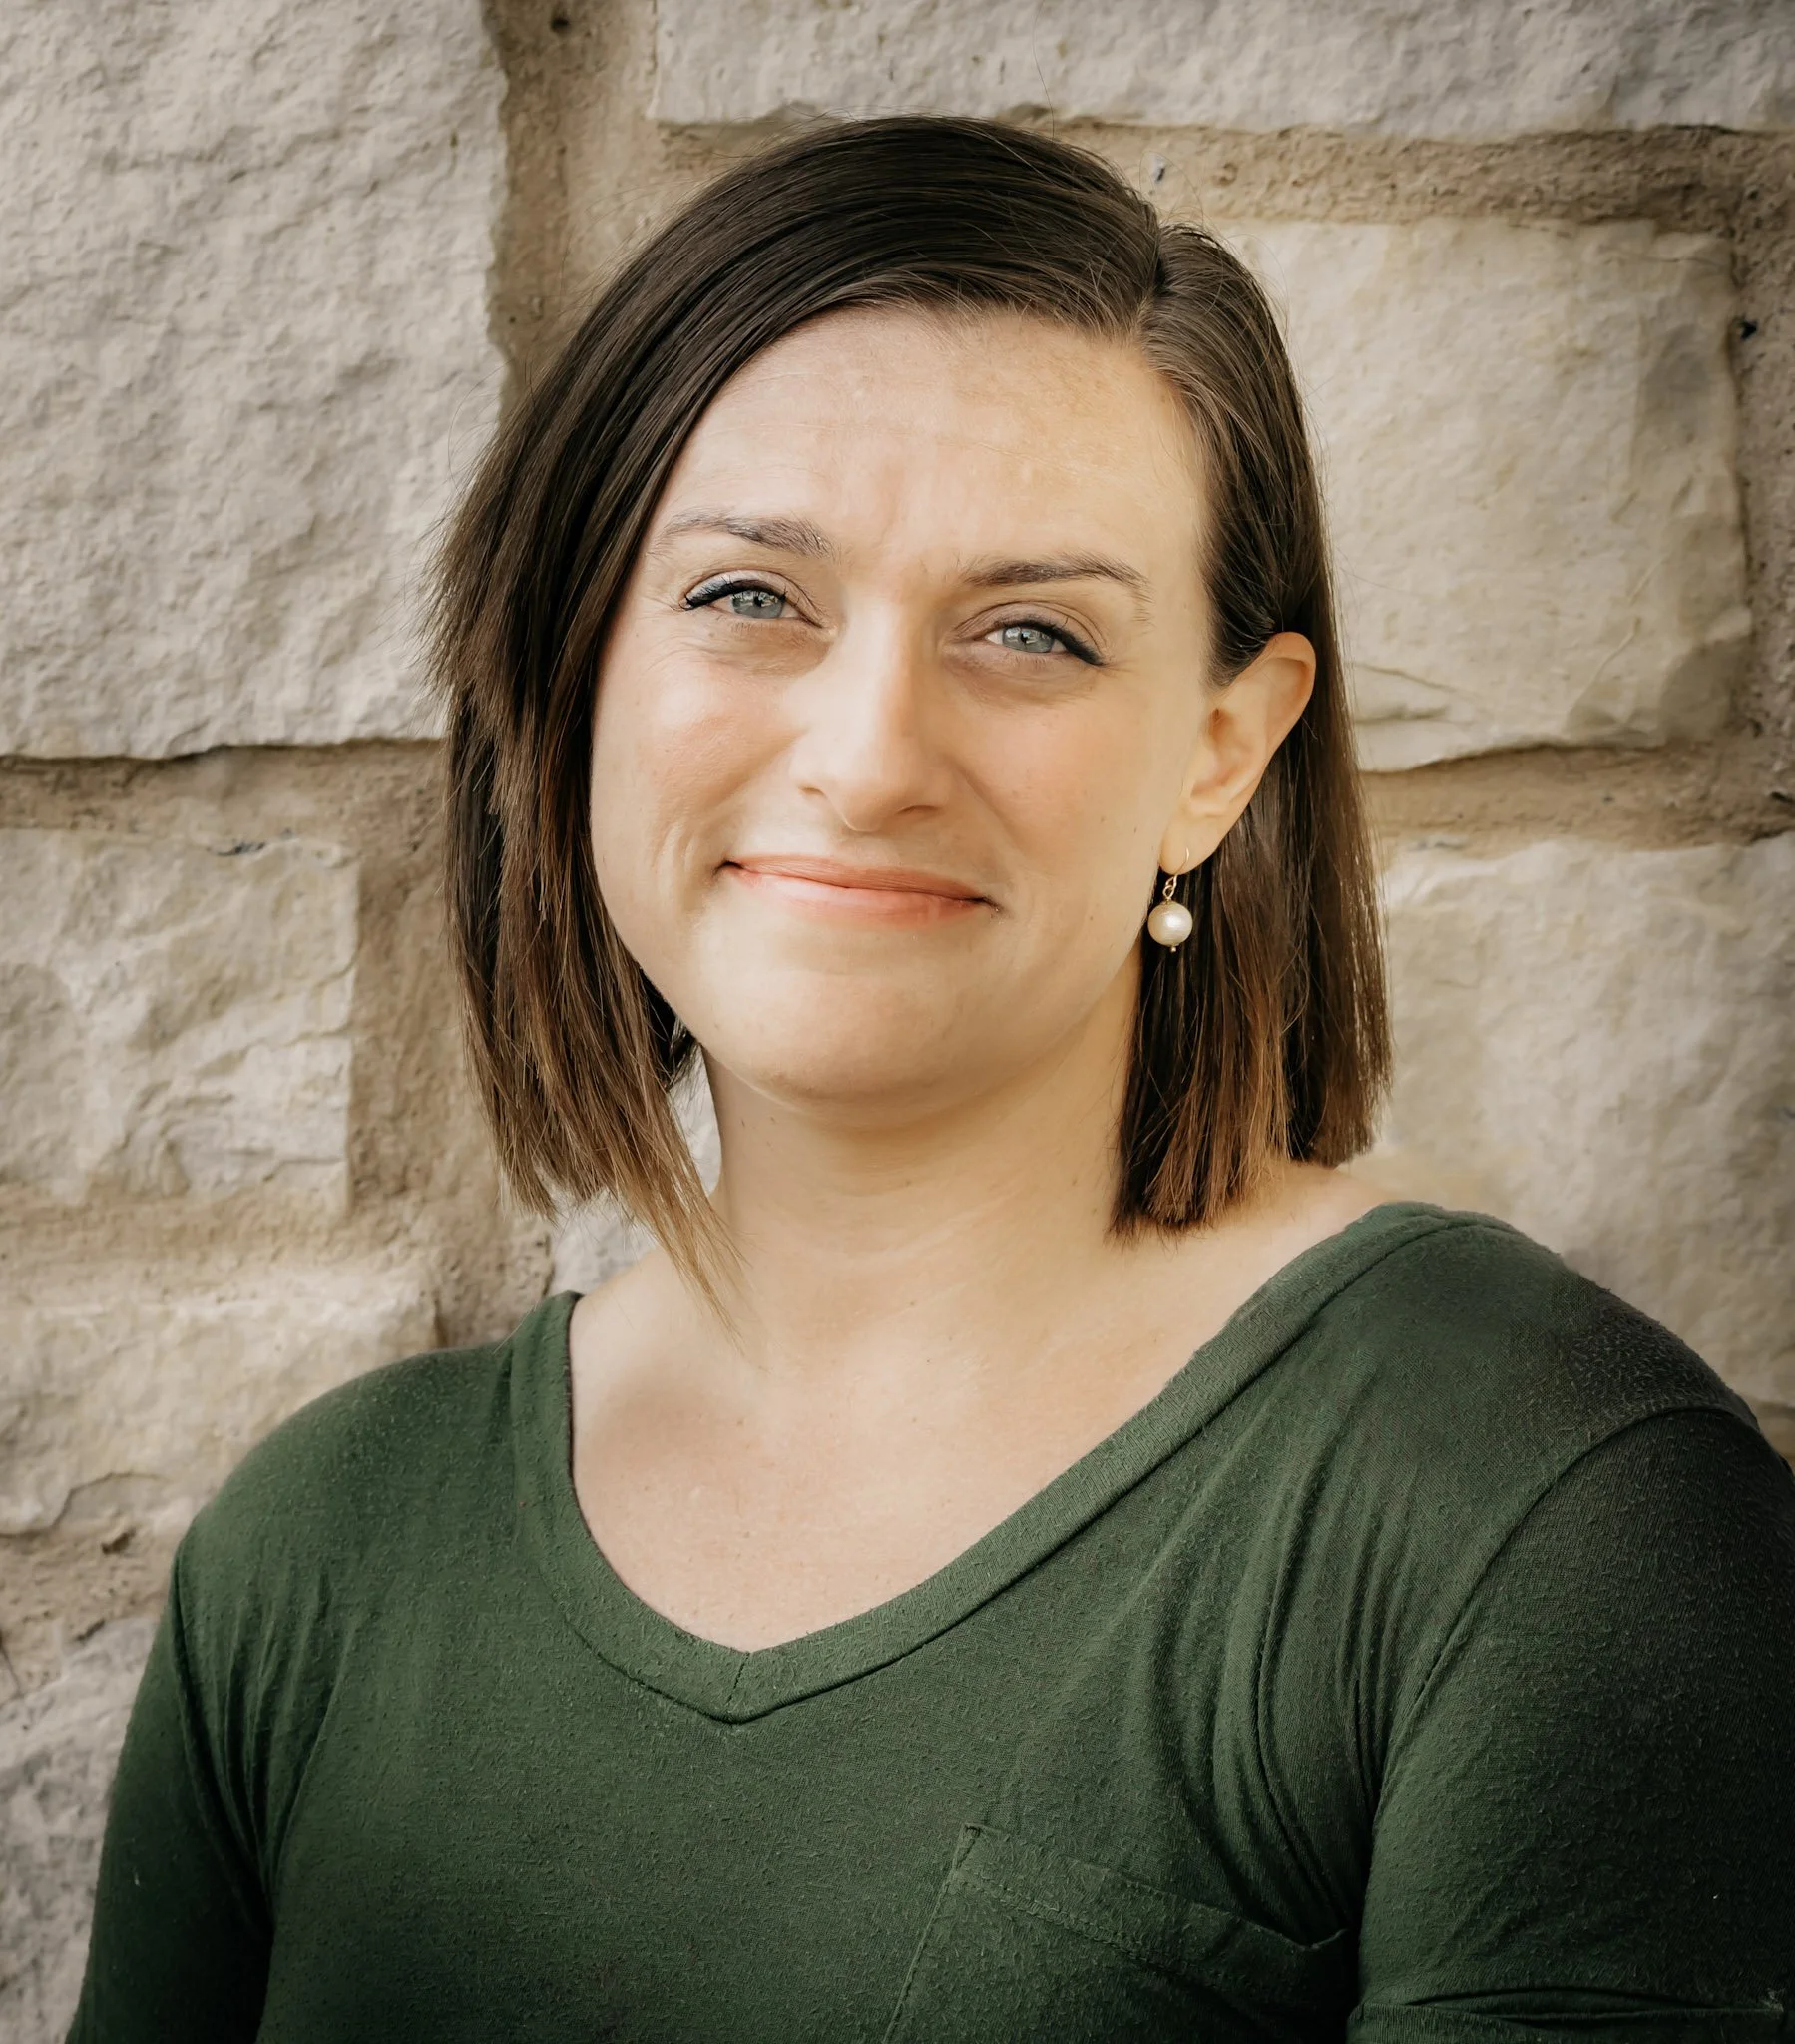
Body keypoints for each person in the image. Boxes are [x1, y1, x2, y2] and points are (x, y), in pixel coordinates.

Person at [71, 118, 1794, 2042]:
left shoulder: (1539, 1506)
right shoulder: (320, 1550)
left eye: (1031, 633)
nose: (871, 754)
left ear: (1219, 755)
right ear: (574, 669)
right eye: (750, 597)